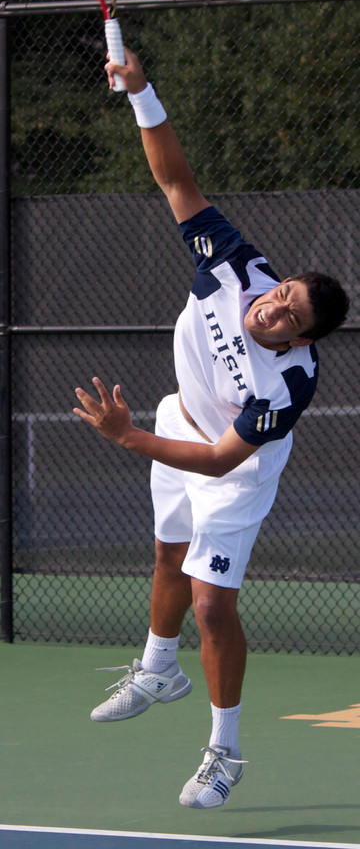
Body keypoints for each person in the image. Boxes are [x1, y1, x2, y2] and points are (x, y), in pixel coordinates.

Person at [74, 48, 349, 810]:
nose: (273, 308)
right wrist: (142, 93)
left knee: (211, 603)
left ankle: (224, 752)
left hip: (235, 468)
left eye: (288, 315)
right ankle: (159, 668)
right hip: (178, 420)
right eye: (281, 293)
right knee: (165, 552)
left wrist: (126, 437)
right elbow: (174, 180)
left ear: (300, 339)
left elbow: (221, 457)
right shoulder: (235, 266)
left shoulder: (289, 385)